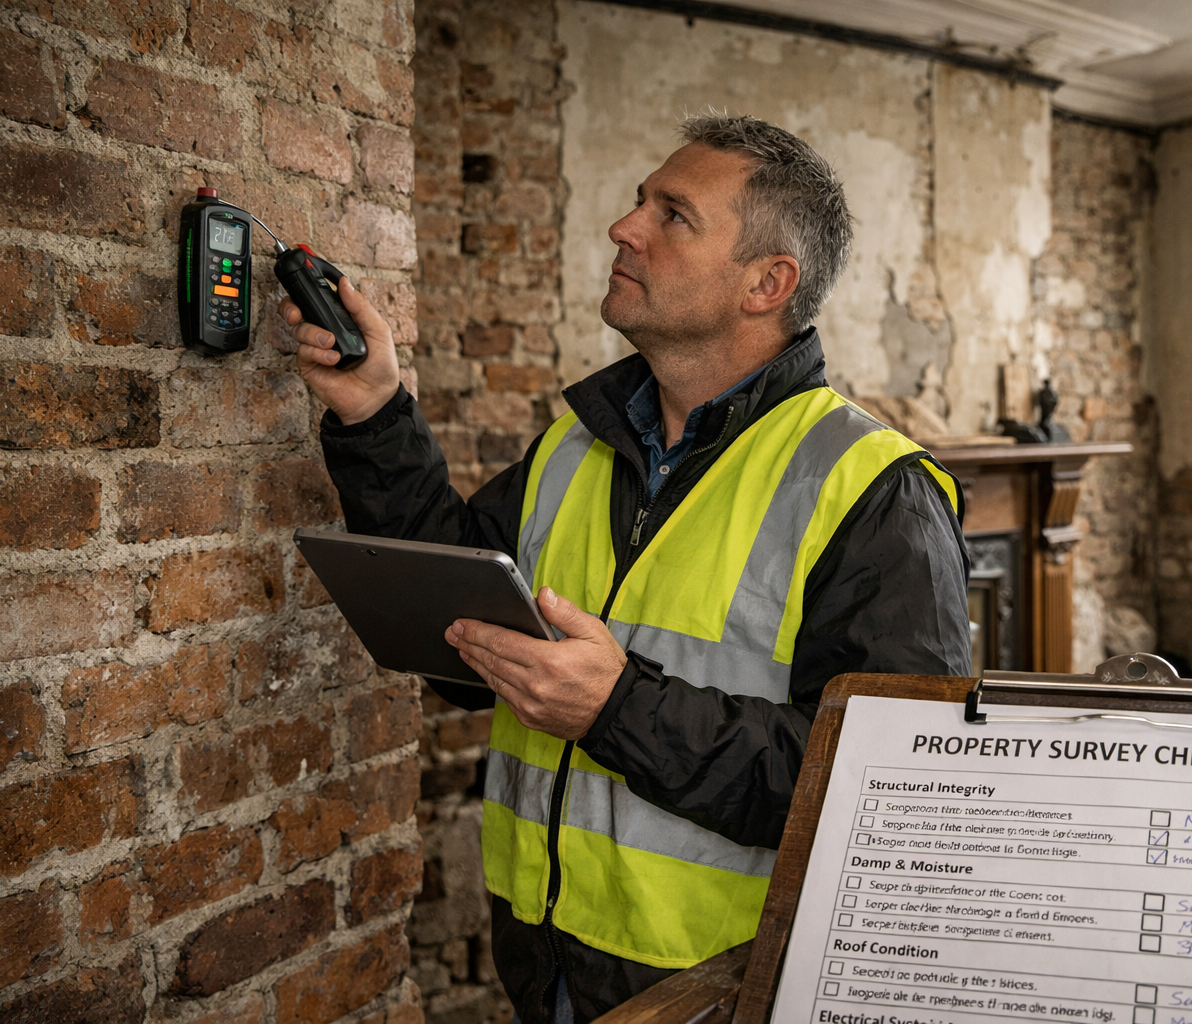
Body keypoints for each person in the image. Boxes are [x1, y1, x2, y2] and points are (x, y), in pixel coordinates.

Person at [282, 114, 972, 1024]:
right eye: (639, 201)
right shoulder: (577, 444)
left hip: (726, 987)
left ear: (767, 283)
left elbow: (895, 790)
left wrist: (616, 708)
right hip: (546, 956)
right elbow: (462, 624)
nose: (625, 227)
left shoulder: (871, 487)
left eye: (672, 214)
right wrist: (374, 412)